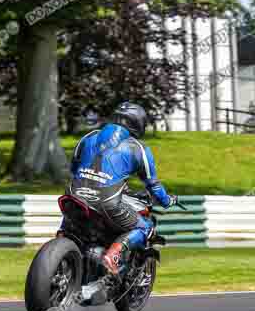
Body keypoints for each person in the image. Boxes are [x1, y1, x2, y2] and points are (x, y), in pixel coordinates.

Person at [65, 102, 176, 276]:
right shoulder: (138, 148)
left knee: (71, 217)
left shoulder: (88, 136)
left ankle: (61, 238)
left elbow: (73, 168)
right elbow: (153, 185)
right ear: (138, 123)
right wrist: (167, 200)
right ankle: (113, 255)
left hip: (73, 194)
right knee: (146, 228)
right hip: (107, 202)